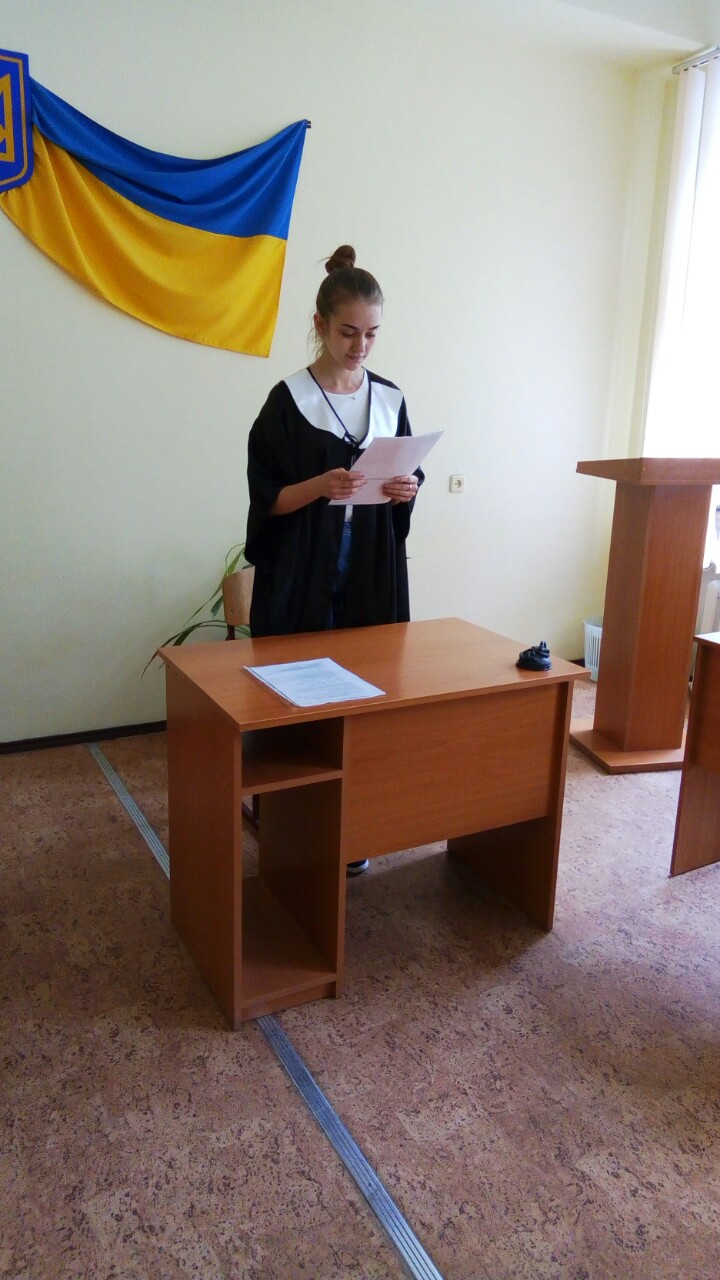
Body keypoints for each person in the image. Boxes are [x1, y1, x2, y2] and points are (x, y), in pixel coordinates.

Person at [245, 244, 424, 874]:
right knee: (301, 695)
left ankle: (355, 825)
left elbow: (408, 474)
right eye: (348, 332)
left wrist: (407, 488)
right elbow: (267, 500)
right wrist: (320, 486)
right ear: (320, 325)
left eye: (371, 334)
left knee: (368, 687)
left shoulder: (389, 399)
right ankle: (289, 819)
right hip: (303, 570)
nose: (360, 347)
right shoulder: (287, 401)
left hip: (370, 566)